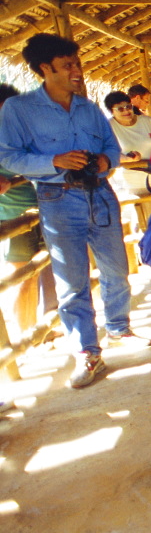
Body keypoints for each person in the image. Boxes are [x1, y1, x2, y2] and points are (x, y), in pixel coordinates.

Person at [0, 33, 148, 388]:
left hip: (100, 194)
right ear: (44, 69)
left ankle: (119, 328)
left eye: (77, 63)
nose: (77, 71)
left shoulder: (89, 108)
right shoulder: (19, 110)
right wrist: (53, 160)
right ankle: (86, 351)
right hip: (57, 198)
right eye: (68, 65)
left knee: (116, 266)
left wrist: (103, 161)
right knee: (71, 281)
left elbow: (111, 148)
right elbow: (7, 156)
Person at [0, 83, 57, 351]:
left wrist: (16, 180)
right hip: (11, 217)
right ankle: (22, 340)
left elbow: (40, 168)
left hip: (41, 208)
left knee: (44, 269)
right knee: (22, 278)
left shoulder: (22, 136)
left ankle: (42, 331)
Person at [105, 90, 151, 199]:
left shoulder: (146, 121)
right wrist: (127, 159)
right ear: (112, 111)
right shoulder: (108, 127)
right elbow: (106, 154)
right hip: (133, 181)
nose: (126, 111)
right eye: (120, 109)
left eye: (128, 107)